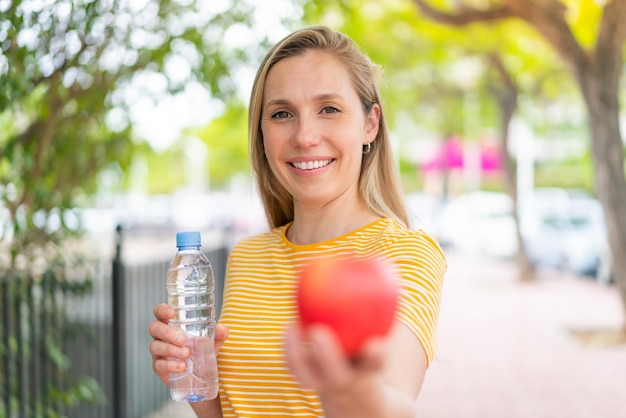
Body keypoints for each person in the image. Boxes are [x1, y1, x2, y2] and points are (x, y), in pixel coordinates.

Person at [149, 25, 446, 418]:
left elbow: (394, 402)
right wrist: (190, 374)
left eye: (329, 109)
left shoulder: (405, 253)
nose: (304, 136)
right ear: (262, 134)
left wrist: (349, 388)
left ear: (370, 124)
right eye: (282, 113)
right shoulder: (249, 256)